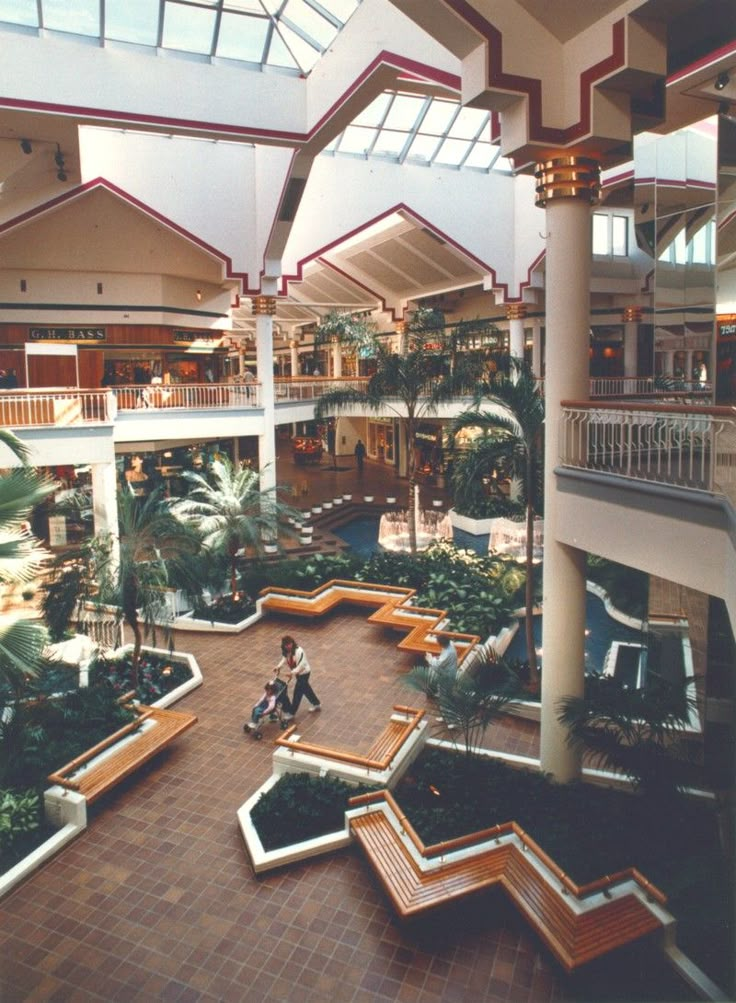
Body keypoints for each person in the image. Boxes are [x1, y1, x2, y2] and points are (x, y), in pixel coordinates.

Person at [276, 635, 321, 716]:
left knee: (297, 693)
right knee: (306, 689)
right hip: (297, 674)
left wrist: (292, 673)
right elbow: (284, 659)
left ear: (292, 643)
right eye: (286, 645)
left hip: (304, 673)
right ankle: (316, 703)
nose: (288, 646)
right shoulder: (286, 652)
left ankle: (292, 712)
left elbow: (302, 665)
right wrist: (278, 666)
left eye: (289, 644)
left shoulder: (299, 651)